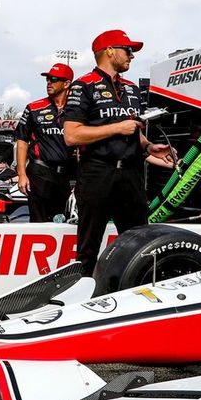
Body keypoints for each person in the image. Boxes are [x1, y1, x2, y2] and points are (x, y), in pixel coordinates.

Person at [64, 29, 173, 277]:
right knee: (88, 248)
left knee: (140, 243)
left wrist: (148, 146)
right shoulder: (83, 86)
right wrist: (117, 128)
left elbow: (134, 129)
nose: (132, 56)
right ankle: (84, 297)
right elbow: (72, 135)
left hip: (132, 174)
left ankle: (136, 293)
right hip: (98, 173)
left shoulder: (132, 89)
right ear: (109, 51)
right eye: (128, 50)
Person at [15, 63, 76, 222]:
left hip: (68, 174)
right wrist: (21, 174)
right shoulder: (34, 108)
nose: (49, 83)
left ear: (67, 83)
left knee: (67, 220)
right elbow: (22, 141)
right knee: (38, 221)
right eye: (48, 79)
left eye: (54, 79)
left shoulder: (78, 109)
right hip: (40, 172)